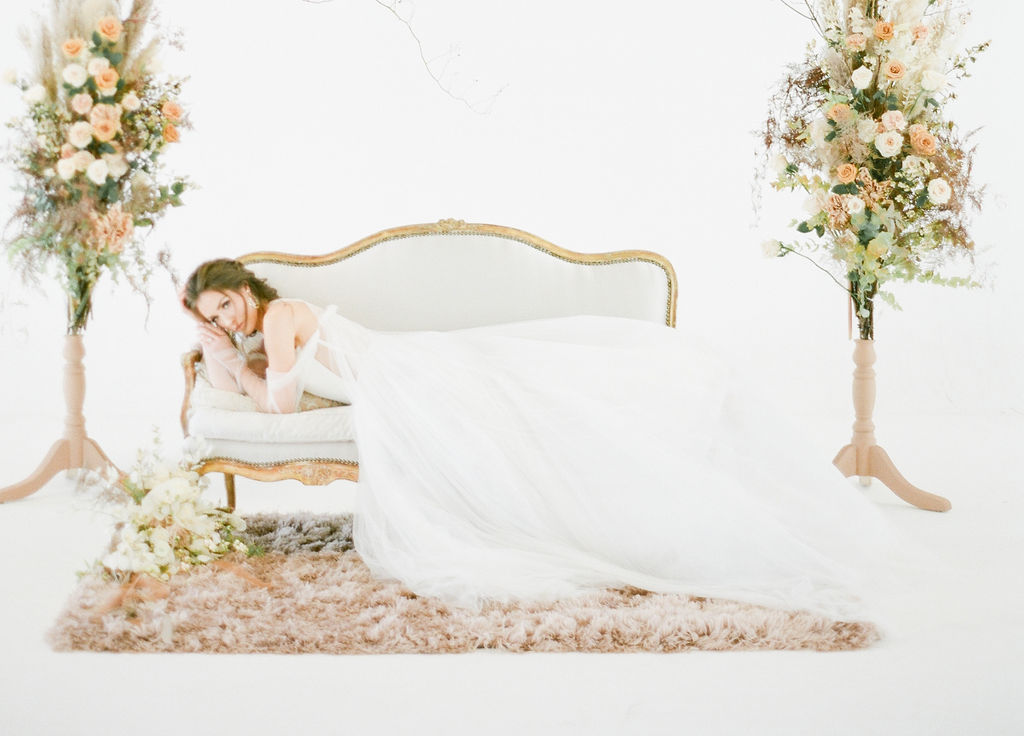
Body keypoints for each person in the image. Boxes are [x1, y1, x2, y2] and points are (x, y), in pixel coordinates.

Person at [182, 257, 894, 620]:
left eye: (227, 305)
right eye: (214, 315)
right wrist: (221, 353)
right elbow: (267, 397)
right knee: (529, 419)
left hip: (406, 374)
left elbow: (274, 404)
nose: (228, 318)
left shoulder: (276, 319)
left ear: (246, 288)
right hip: (400, 375)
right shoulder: (256, 339)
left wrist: (227, 352)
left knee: (539, 411)